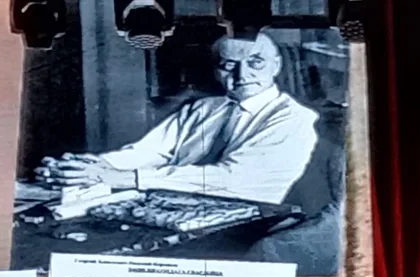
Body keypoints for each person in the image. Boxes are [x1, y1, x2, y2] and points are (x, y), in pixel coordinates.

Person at [36, 32, 319, 205]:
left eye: (255, 62)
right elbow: (149, 152)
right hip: (171, 207)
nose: (242, 75)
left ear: (276, 65)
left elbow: (230, 178)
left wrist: (123, 178)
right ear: (217, 71)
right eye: (229, 65)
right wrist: (84, 167)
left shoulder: (295, 120)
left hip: (248, 224)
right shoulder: (204, 108)